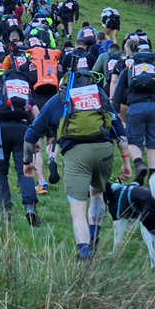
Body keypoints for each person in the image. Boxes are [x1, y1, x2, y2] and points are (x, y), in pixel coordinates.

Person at [23, 65, 127, 259]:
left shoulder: (59, 100)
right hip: (104, 151)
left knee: (77, 208)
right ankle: (94, 240)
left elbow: (32, 133)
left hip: (76, 154)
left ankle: (85, 255)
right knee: (97, 194)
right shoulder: (100, 98)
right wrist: (126, 161)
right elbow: (119, 130)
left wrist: (26, 161)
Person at [0, 50, 41, 224]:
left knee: (0, 171)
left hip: (0, 129)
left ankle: (5, 210)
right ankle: (30, 207)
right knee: (25, 169)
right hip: (23, 127)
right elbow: (35, 112)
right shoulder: (23, 87)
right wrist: (36, 135)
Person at [113, 38, 155, 175]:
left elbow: (118, 92)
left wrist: (117, 112)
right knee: (154, 144)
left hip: (136, 107)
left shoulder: (130, 69)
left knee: (133, 142)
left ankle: (139, 163)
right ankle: (153, 174)